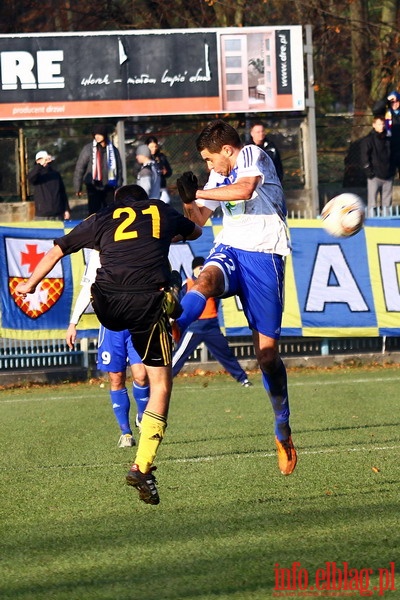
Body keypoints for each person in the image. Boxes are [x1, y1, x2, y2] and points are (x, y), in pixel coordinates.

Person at [15, 184, 202, 505]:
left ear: (117, 203)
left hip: (107, 304)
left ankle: (164, 302)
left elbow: (57, 249)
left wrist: (30, 283)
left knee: (125, 291)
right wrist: (186, 209)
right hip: (145, 300)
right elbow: (196, 231)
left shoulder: (101, 216)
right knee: (160, 380)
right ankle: (142, 466)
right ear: (144, 201)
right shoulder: (159, 209)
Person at [174, 119, 297, 476]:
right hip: (230, 248)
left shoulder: (251, 155)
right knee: (206, 278)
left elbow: (243, 190)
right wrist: (187, 201)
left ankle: (282, 427)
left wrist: (199, 193)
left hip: (265, 256)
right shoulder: (217, 176)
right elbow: (197, 226)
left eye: (210, 160)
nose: (209, 167)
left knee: (267, 356)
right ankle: (174, 327)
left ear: (227, 150)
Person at [65, 248, 150, 448]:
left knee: (141, 375)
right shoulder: (99, 253)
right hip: (111, 326)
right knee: (116, 377)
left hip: (137, 321)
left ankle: (142, 417)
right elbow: (88, 288)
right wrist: (73, 323)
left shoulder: (137, 244)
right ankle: (126, 432)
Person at [173, 256, 252, 387]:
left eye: (204, 267)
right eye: (199, 268)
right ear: (193, 269)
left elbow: (217, 300)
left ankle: (243, 379)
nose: (202, 270)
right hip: (195, 326)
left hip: (211, 326)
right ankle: (164, 378)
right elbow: (181, 304)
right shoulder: (187, 284)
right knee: (179, 355)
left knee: (225, 353)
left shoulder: (211, 284)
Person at [73, 124, 123, 215]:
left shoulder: (113, 150)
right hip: (93, 186)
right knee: (94, 213)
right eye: (95, 134)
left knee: (110, 213)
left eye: (99, 134)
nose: (97, 137)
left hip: (109, 186)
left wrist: (118, 188)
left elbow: (119, 170)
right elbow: (80, 168)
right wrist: (77, 187)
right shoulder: (88, 149)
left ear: (104, 134)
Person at [361, 115, 394, 215]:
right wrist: (369, 173)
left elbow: (392, 154)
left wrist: (392, 170)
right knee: (372, 203)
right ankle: (372, 223)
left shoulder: (388, 140)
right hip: (374, 176)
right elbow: (364, 157)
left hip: (388, 175)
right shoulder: (368, 140)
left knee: (387, 203)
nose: (382, 126)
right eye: (379, 124)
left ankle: (387, 224)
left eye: (383, 124)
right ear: (374, 125)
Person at [28, 150, 70, 221]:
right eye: (43, 159)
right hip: (42, 215)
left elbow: (62, 192)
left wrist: (66, 209)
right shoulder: (36, 175)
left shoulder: (55, 174)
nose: (45, 161)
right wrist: (40, 165)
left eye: (46, 159)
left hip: (58, 213)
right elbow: (30, 178)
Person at [373, 90, 400, 178]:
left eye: (397, 101)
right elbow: (376, 109)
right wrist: (387, 99)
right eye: (392, 102)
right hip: (388, 147)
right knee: (388, 176)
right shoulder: (385, 113)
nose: (395, 103)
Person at [146, 136, 173, 204]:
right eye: (151, 147)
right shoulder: (144, 158)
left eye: (155, 146)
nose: (154, 149)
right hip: (150, 189)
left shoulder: (161, 157)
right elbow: (136, 171)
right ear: (147, 146)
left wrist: (165, 172)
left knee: (165, 204)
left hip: (161, 187)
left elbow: (169, 171)